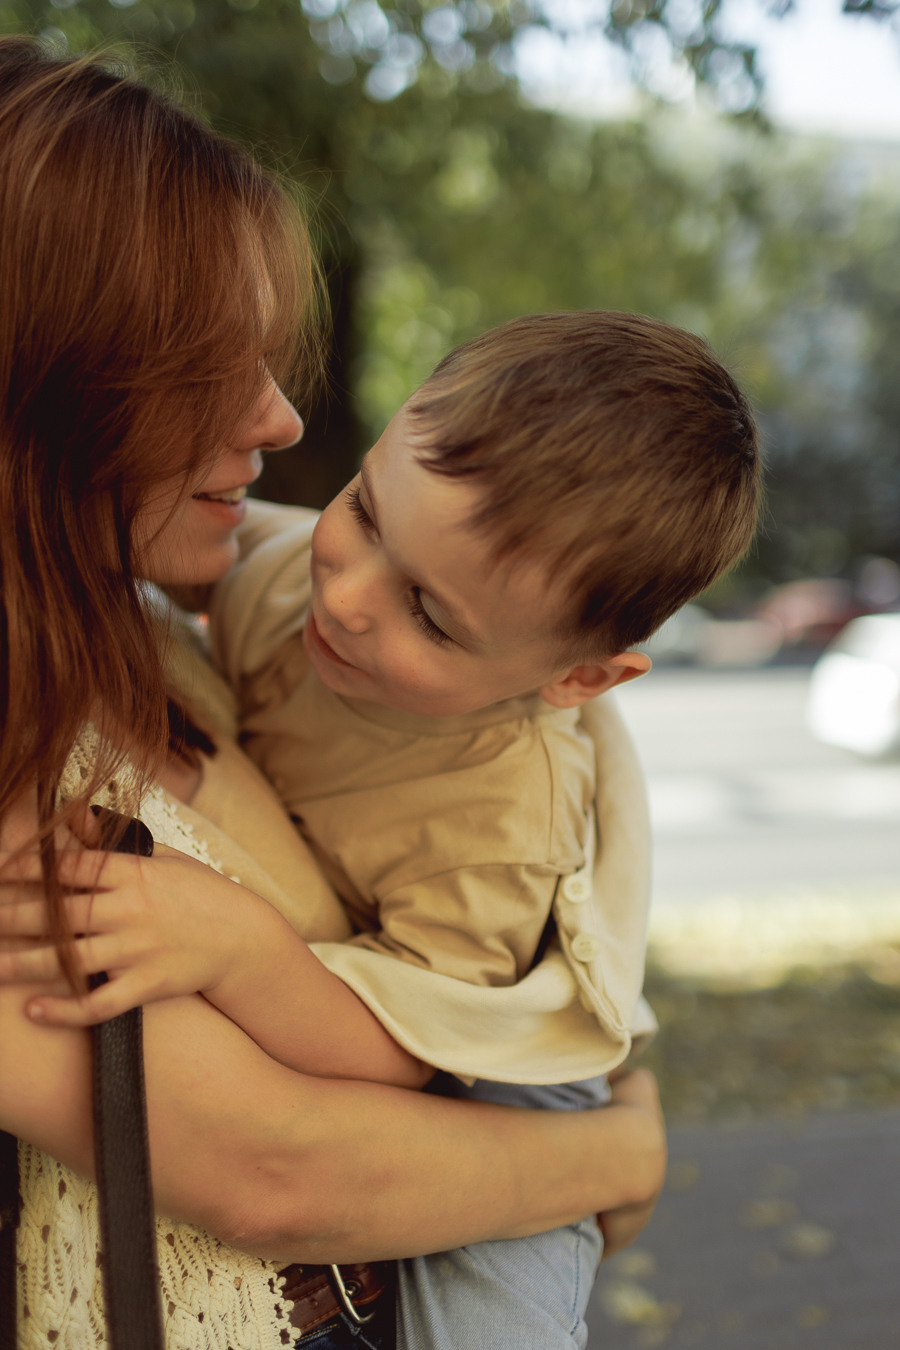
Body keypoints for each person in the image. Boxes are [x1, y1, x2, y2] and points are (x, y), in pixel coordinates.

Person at [0, 35, 668, 1350]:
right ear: (51, 389)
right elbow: (270, 1166)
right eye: (210, 367)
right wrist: (619, 1157)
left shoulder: (157, 635)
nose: (280, 419)